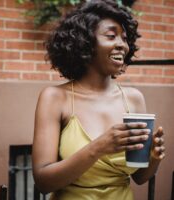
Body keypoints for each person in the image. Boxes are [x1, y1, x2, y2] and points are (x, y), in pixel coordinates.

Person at [32, 0, 165, 199]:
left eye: (124, 38)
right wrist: (98, 147)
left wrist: (154, 157)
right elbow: (43, 182)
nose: (122, 45)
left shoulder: (134, 99)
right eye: (111, 36)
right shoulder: (55, 98)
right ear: (84, 42)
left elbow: (139, 176)